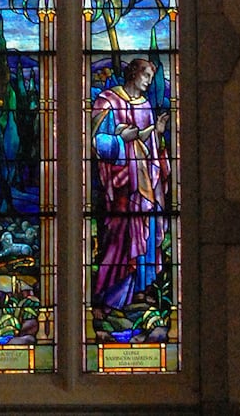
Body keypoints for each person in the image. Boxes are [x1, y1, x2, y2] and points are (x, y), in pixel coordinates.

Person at [91, 57, 170, 313]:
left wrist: (155, 132)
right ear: (133, 73)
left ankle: (138, 289)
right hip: (120, 184)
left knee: (144, 229)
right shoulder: (107, 101)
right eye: (146, 75)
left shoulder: (145, 105)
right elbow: (96, 143)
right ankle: (112, 296)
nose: (148, 81)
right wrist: (119, 139)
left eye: (150, 76)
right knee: (119, 237)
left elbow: (147, 146)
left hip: (143, 181)